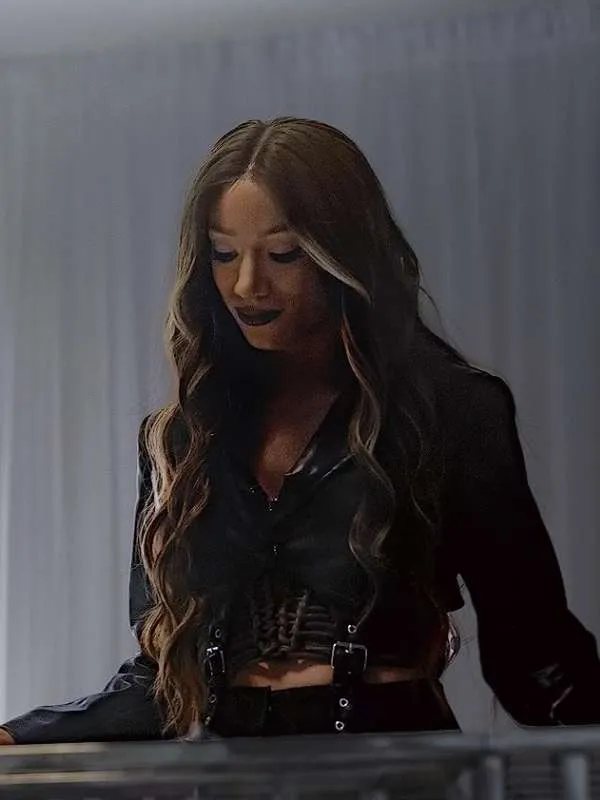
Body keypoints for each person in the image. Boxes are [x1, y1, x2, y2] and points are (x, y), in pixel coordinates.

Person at [2, 117, 600, 746]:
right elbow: (161, 683)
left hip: (392, 772)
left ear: (343, 254)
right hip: (230, 778)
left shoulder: (451, 410)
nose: (246, 284)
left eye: (283, 254)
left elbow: (530, 644)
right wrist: (20, 736)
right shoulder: (181, 439)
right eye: (223, 254)